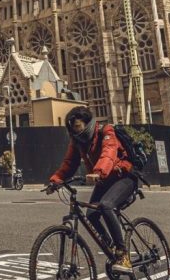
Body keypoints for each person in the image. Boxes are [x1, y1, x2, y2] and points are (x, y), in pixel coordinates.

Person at [46, 106, 135, 273]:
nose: (75, 130)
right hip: (104, 180)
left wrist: (98, 171)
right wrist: (56, 180)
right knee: (91, 215)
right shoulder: (78, 142)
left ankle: (123, 255)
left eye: (78, 126)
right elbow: (69, 164)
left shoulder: (105, 130)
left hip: (124, 176)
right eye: (72, 128)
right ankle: (111, 249)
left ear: (87, 124)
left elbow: (109, 152)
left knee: (106, 205)